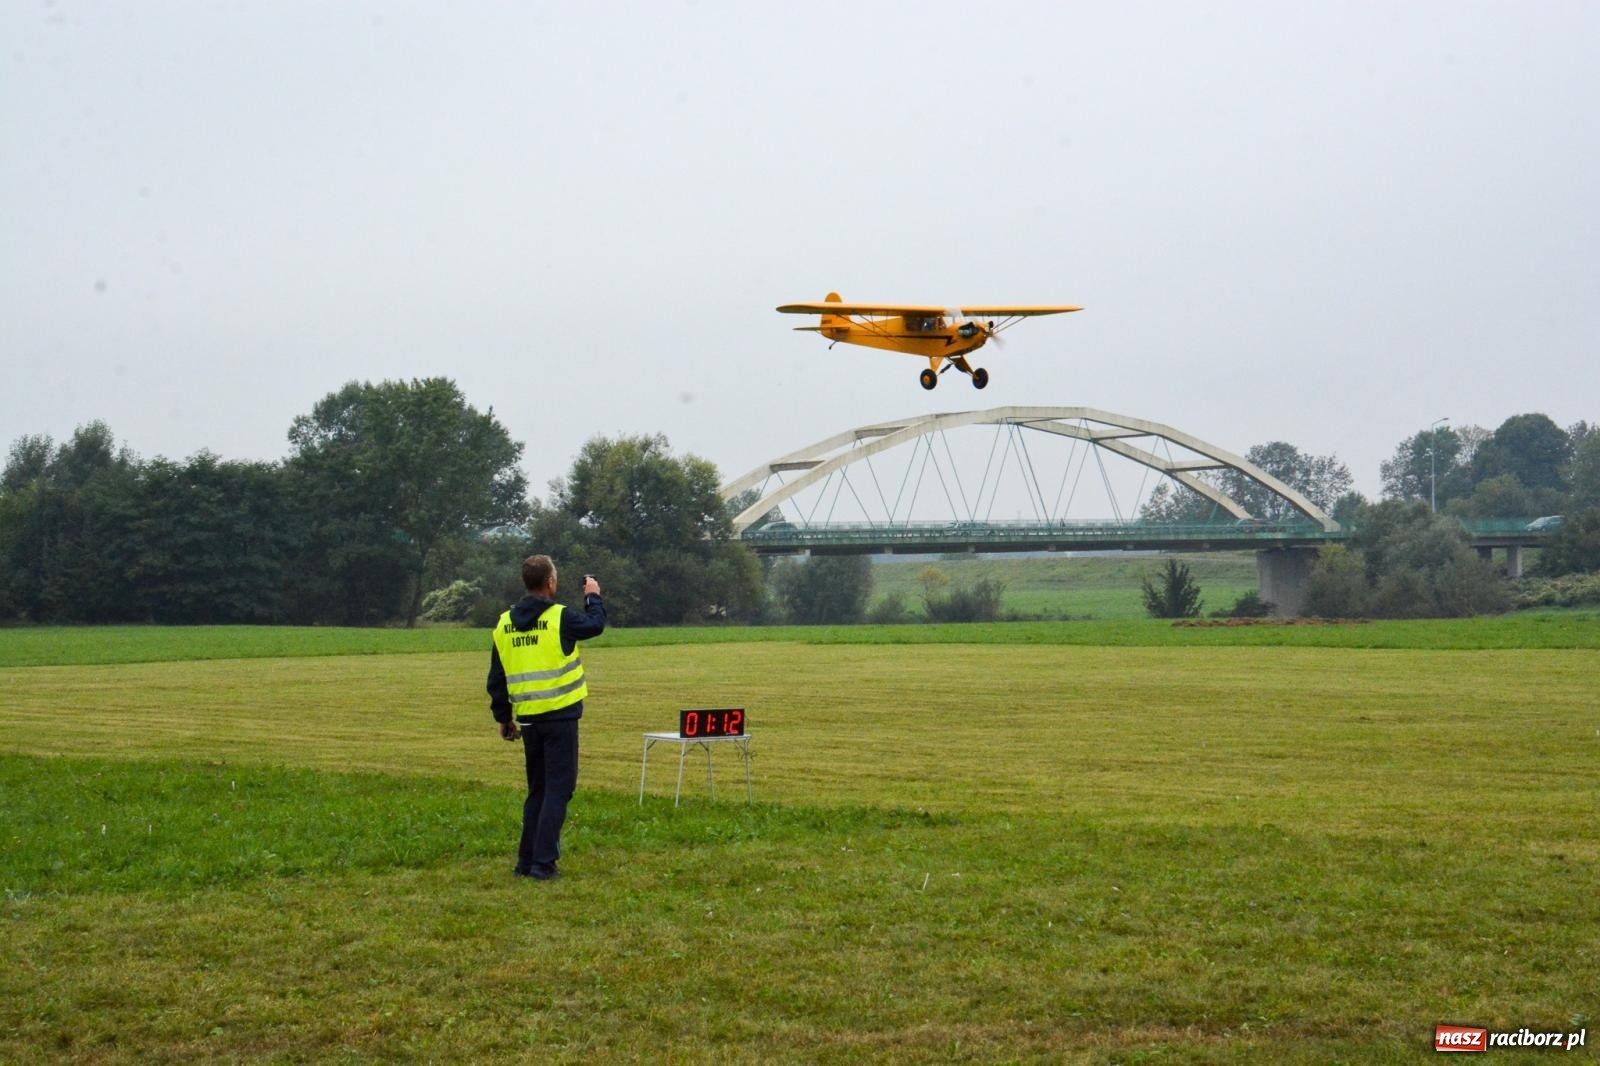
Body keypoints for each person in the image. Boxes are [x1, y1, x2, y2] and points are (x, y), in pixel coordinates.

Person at [486, 554, 605, 881]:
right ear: (550, 582)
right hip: (561, 717)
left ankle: (525, 862)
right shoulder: (560, 617)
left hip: (529, 720)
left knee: (537, 790)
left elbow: (496, 678)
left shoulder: (504, 623)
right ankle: (543, 864)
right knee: (558, 790)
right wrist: (593, 595)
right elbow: (595, 625)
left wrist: (503, 717)